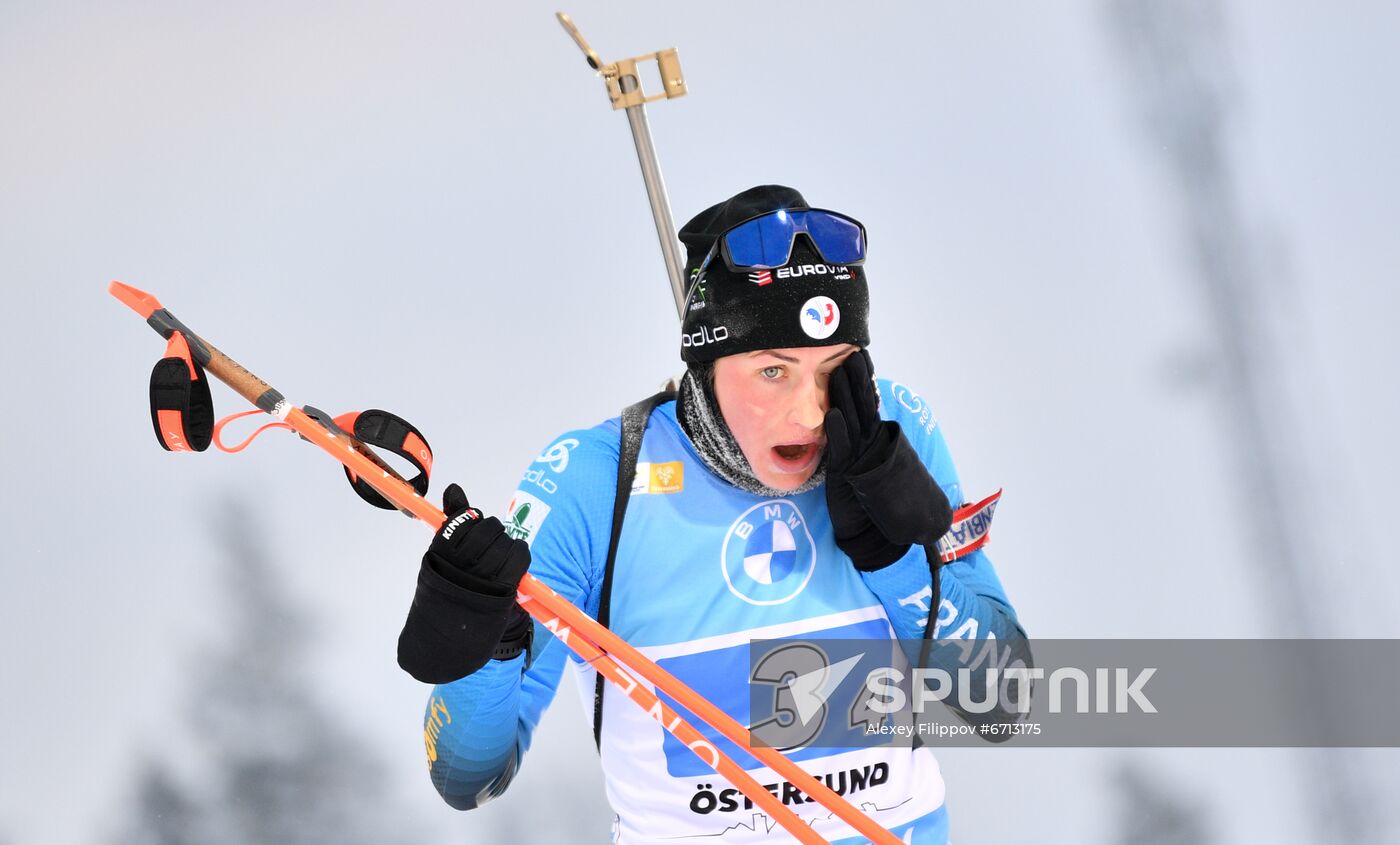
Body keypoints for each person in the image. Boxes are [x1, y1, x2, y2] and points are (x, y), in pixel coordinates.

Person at [397, 185, 1028, 843]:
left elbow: (1003, 699)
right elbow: (467, 774)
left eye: (835, 370)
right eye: (773, 372)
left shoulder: (890, 431)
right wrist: (485, 633)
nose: (812, 412)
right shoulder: (594, 478)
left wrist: (895, 559)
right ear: (706, 361)